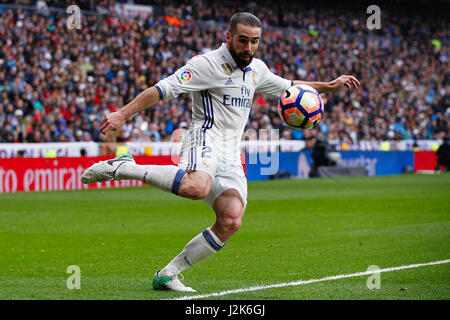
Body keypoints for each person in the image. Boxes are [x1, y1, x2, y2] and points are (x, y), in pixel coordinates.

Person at [81, 12, 360, 292]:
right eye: (242, 41)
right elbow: (162, 89)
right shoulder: (206, 65)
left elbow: (290, 88)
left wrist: (329, 86)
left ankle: (168, 274)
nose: (248, 48)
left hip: (231, 151)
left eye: (254, 42)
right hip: (204, 138)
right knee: (197, 186)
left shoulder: (257, 70)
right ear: (228, 37)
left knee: (231, 219)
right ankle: (125, 167)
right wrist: (122, 114)